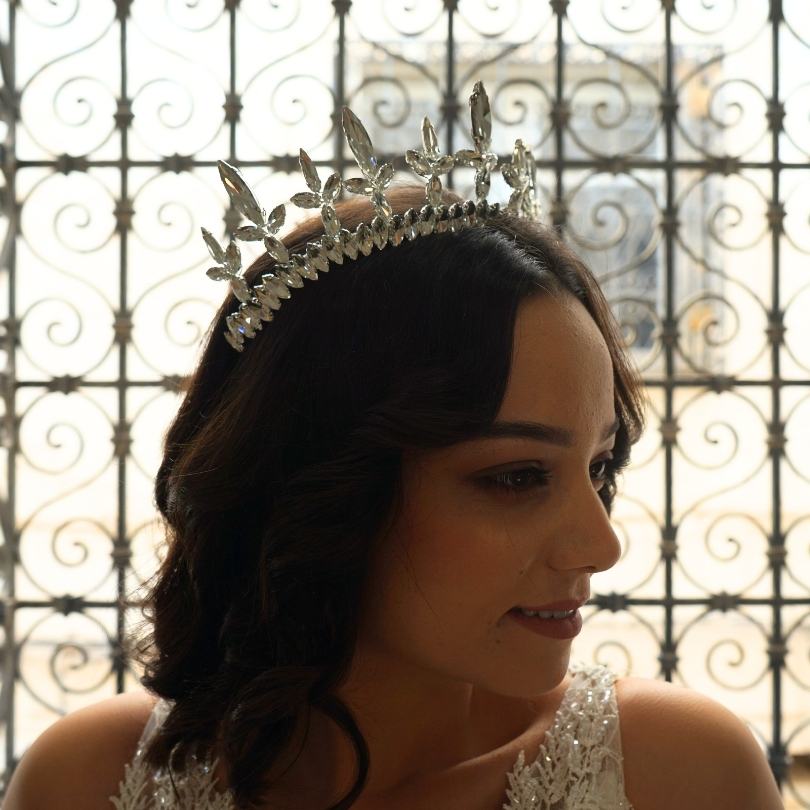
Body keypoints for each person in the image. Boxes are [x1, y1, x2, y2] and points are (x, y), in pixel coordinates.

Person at [4, 86, 784, 810]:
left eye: (599, 466)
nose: (602, 544)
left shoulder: (681, 774)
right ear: (320, 484)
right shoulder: (86, 781)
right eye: (517, 476)